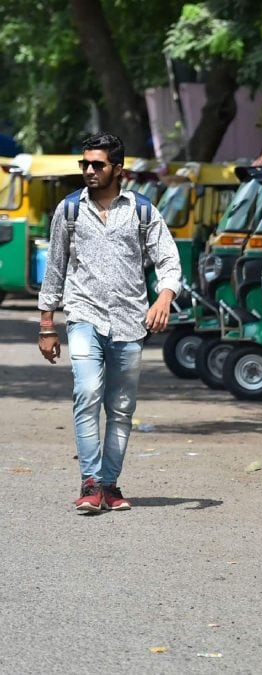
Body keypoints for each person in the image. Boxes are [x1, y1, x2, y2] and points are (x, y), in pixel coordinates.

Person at [36, 132, 182, 513]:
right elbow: (55, 269)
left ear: (119, 169)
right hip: (83, 316)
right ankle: (89, 482)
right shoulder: (68, 211)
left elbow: (168, 259)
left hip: (131, 323)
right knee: (87, 394)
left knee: (120, 408)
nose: (89, 170)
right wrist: (47, 324)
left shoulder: (142, 211)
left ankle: (109, 485)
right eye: (84, 164)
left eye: (97, 164)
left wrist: (164, 296)